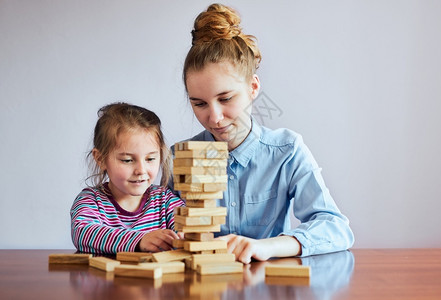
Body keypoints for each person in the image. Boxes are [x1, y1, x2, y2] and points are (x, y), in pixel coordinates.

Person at [177, 3, 354, 263]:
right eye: (199, 104)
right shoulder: (178, 157)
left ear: (253, 87)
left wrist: (268, 247)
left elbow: (336, 229)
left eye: (225, 98)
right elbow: (155, 225)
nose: (214, 118)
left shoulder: (287, 150)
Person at [71, 103, 184, 254]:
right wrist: (139, 240)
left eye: (150, 159)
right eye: (128, 160)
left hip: (156, 277)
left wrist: (188, 236)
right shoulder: (90, 201)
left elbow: (189, 225)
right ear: (101, 159)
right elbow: (83, 233)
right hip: (108, 278)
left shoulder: (165, 200)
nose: (141, 170)